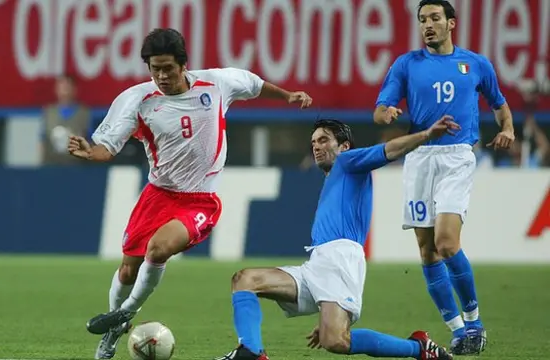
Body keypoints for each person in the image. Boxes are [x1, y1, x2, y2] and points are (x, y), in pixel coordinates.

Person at [67, 28, 313, 360]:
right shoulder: (138, 100)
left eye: (168, 68)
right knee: (128, 270)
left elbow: (254, 85)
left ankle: (126, 313)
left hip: (199, 199)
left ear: (183, 65)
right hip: (158, 195)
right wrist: (89, 151)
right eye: (154, 69)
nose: (162, 76)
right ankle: (114, 327)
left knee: (159, 248)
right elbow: (106, 149)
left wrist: (286, 96)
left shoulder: (216, 84)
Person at [214, 118, 458, 360]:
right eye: (313, 142)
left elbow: (390, 150)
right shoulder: (334, 176)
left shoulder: (348, 160)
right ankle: (252, 352)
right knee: (245, 279)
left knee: (336, 340)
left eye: (323, 140)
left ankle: (419, 348)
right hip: (317, 264)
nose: (316, 146)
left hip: (341, 259)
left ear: (344, 146)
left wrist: (426, 135)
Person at [373, 0, 515, 355]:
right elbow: (378, 111)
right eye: (422, 20)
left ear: (451, 23)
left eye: (435, 18)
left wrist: (508, 128)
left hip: (457, 158)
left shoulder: (476, 63)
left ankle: (475, 323)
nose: (428, 25)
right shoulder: (406, 64)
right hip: (419, 157)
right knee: (427, 252)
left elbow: (499, 103)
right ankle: (456, 329)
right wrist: (386, 113)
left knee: (447, 242)